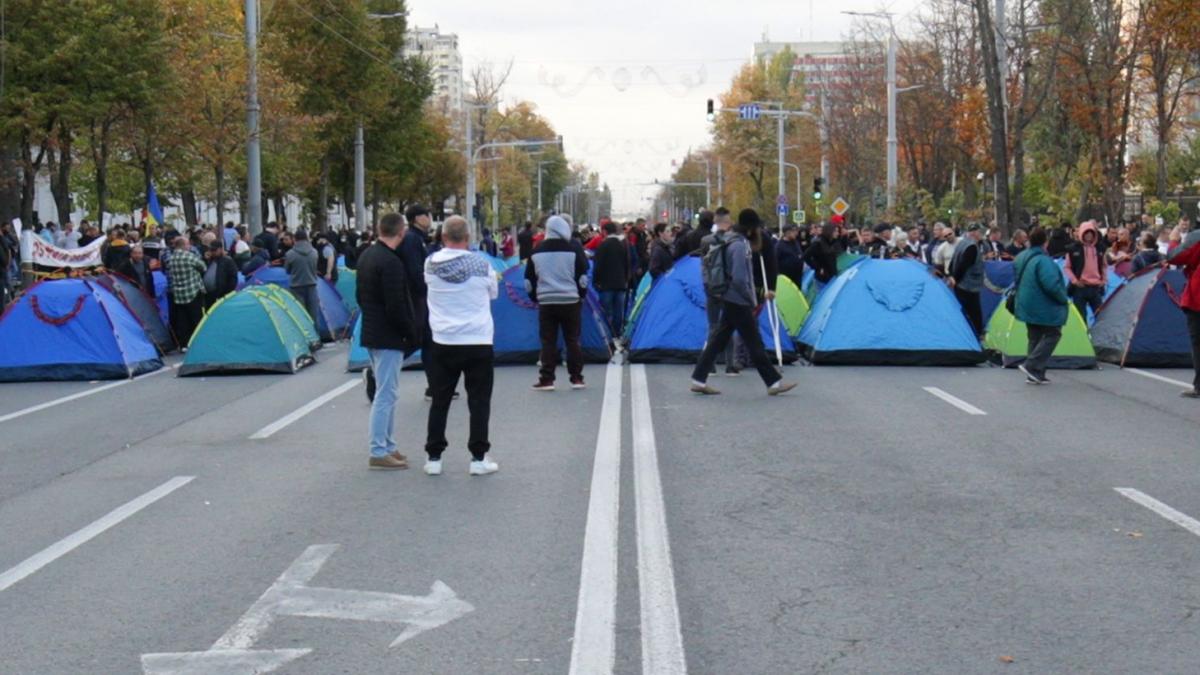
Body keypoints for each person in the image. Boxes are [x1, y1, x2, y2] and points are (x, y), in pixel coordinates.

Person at [422, 216, 500, 476]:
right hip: (478, 339)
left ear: (443, 237)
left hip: (443, 340)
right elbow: (493, 293)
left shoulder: (430, 264)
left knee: (440, 399)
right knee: (479, 401)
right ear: (467, 238)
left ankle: (434, 457)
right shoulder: (482, 264)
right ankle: (478, 458)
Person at [690, 209, 796, 396]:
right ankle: (773, 383)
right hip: (737, 300)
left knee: (718, 340)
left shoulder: (731, 239)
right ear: (750, 228)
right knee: (753, 341)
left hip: (729, 298)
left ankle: (698, 378)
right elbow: (739, 278)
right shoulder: (739, 245)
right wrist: (749, 297)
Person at [357, 213, 420, 470]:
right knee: (386, 394)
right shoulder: (392, 262)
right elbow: (396, 304)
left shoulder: (367, 256)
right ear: (401, 232)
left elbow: (360, 296)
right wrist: (410, 331)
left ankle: (388, 445)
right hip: (389, 335)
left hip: (372, 330)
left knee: (387, 392)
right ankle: (379, 449)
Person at [525, 215, 590, 390]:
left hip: (546, 301)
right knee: (572, 339)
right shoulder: (573, 249)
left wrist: (535, 298)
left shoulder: (537, 250)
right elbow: (583, 276)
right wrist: (580, 294)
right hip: (570, 300)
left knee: (548, 340)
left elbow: (529, 281)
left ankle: (547, 379)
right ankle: (576, 377)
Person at [1012, 227, 1070, 385]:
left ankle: (1035, 373)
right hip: (1042, 304)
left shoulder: (1021, 257)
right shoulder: (1044, 261)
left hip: (1025, 302)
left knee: (1034, 336)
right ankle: (1032, 365)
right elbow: (1051, 284)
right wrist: (1063, 298)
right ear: (1046, 242)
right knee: (1053, 334)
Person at [400, 204, 442, 399]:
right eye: (427, 214)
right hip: (417, 299)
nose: (430, 217)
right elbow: (415, 270)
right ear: (417, 218)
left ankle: (434, 386)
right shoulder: (412, 240)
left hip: (420, 298)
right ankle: (376, 373)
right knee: (417, 339)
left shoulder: (417, 239)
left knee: (426, 341)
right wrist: (427, 290)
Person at [699, 209, 741, 374]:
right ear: (729, 222)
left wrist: (707, 285)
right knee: (729, 326)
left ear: (714, 222)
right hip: (729, 290)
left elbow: (703, 265)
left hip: (711, 288)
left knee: (713, 326)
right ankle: (730, 364)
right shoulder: (735, 241)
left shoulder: (705, 240)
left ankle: (711, 364)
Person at [1167, 230, 1200, 397]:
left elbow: (1175, 257)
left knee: (1198, 343)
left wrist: (1173, 241)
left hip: (1198, 299)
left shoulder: (1197, 237)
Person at [166, 235, 206, 348]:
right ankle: (198, 342)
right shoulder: (189, 256)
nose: (189, 246)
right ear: (183, 245)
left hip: (178, 294)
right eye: (188, 244)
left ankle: (184, 344)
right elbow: (203, 267)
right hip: (192, 291)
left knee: (182, 321)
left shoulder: (171, 258)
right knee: (196, 318)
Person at [592, 221, 630, 340]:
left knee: (607, 310)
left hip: (606, 283)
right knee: (618, 310)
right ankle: (617, 333)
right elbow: (627, 262)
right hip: (620, 283)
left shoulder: (603, 245)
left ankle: (608, 333)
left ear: (604, 231)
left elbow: (598, 265)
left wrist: (596, 280)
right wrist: (625, 279)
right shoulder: (623, 244)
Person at [1064, 220, 1107, 320]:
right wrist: (1075, 281)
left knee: (1101, 316)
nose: (1088, 236)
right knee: (1081, 317)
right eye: (1086, 233)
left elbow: (1104, 266)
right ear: (1081, 234)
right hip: (1080, 288)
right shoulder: (1073, 249)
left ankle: (1100, 335)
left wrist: (1104, 280)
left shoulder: (1100, 248)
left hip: (1096, 287)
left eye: (1091, 233)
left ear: (1094, 234)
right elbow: (1067, 267)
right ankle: (1084, 335)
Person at [949, 224, 986, 337]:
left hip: (961, 284)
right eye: (980, 232)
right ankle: (976, 336)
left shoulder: (961, 243)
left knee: (964, 312)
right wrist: (956, 279)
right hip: (968, 285)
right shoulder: (972, 247)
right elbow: (963, 266)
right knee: (974, 314)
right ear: (976, 233)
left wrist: (952, 276)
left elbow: (953, 262)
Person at [284, 229, 321, 330]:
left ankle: (304, 338)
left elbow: (287, 270)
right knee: (313, 315)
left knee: (300, 315)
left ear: (295, 239)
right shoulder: (315, 252)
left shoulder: (290, 254)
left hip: (296, 286)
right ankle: (316, 337)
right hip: (312, 285)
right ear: (307, 238)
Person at [203, 242, 239, 309]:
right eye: (210, 250)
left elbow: (233, 279)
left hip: (220, 295)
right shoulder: (209, 259)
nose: (212, 252)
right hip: (208, 295)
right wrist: (205, 259)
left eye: (214, 250)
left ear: (220, 249)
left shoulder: (228, 261)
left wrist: (226, 294)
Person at [776, 224, 805, 288]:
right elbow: (775, 262)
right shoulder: (779, 246)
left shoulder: (795, 242)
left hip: (797, 278)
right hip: (786, 279)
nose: (796, 233)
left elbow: (800, 254)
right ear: (787, 233)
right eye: (793, 231)